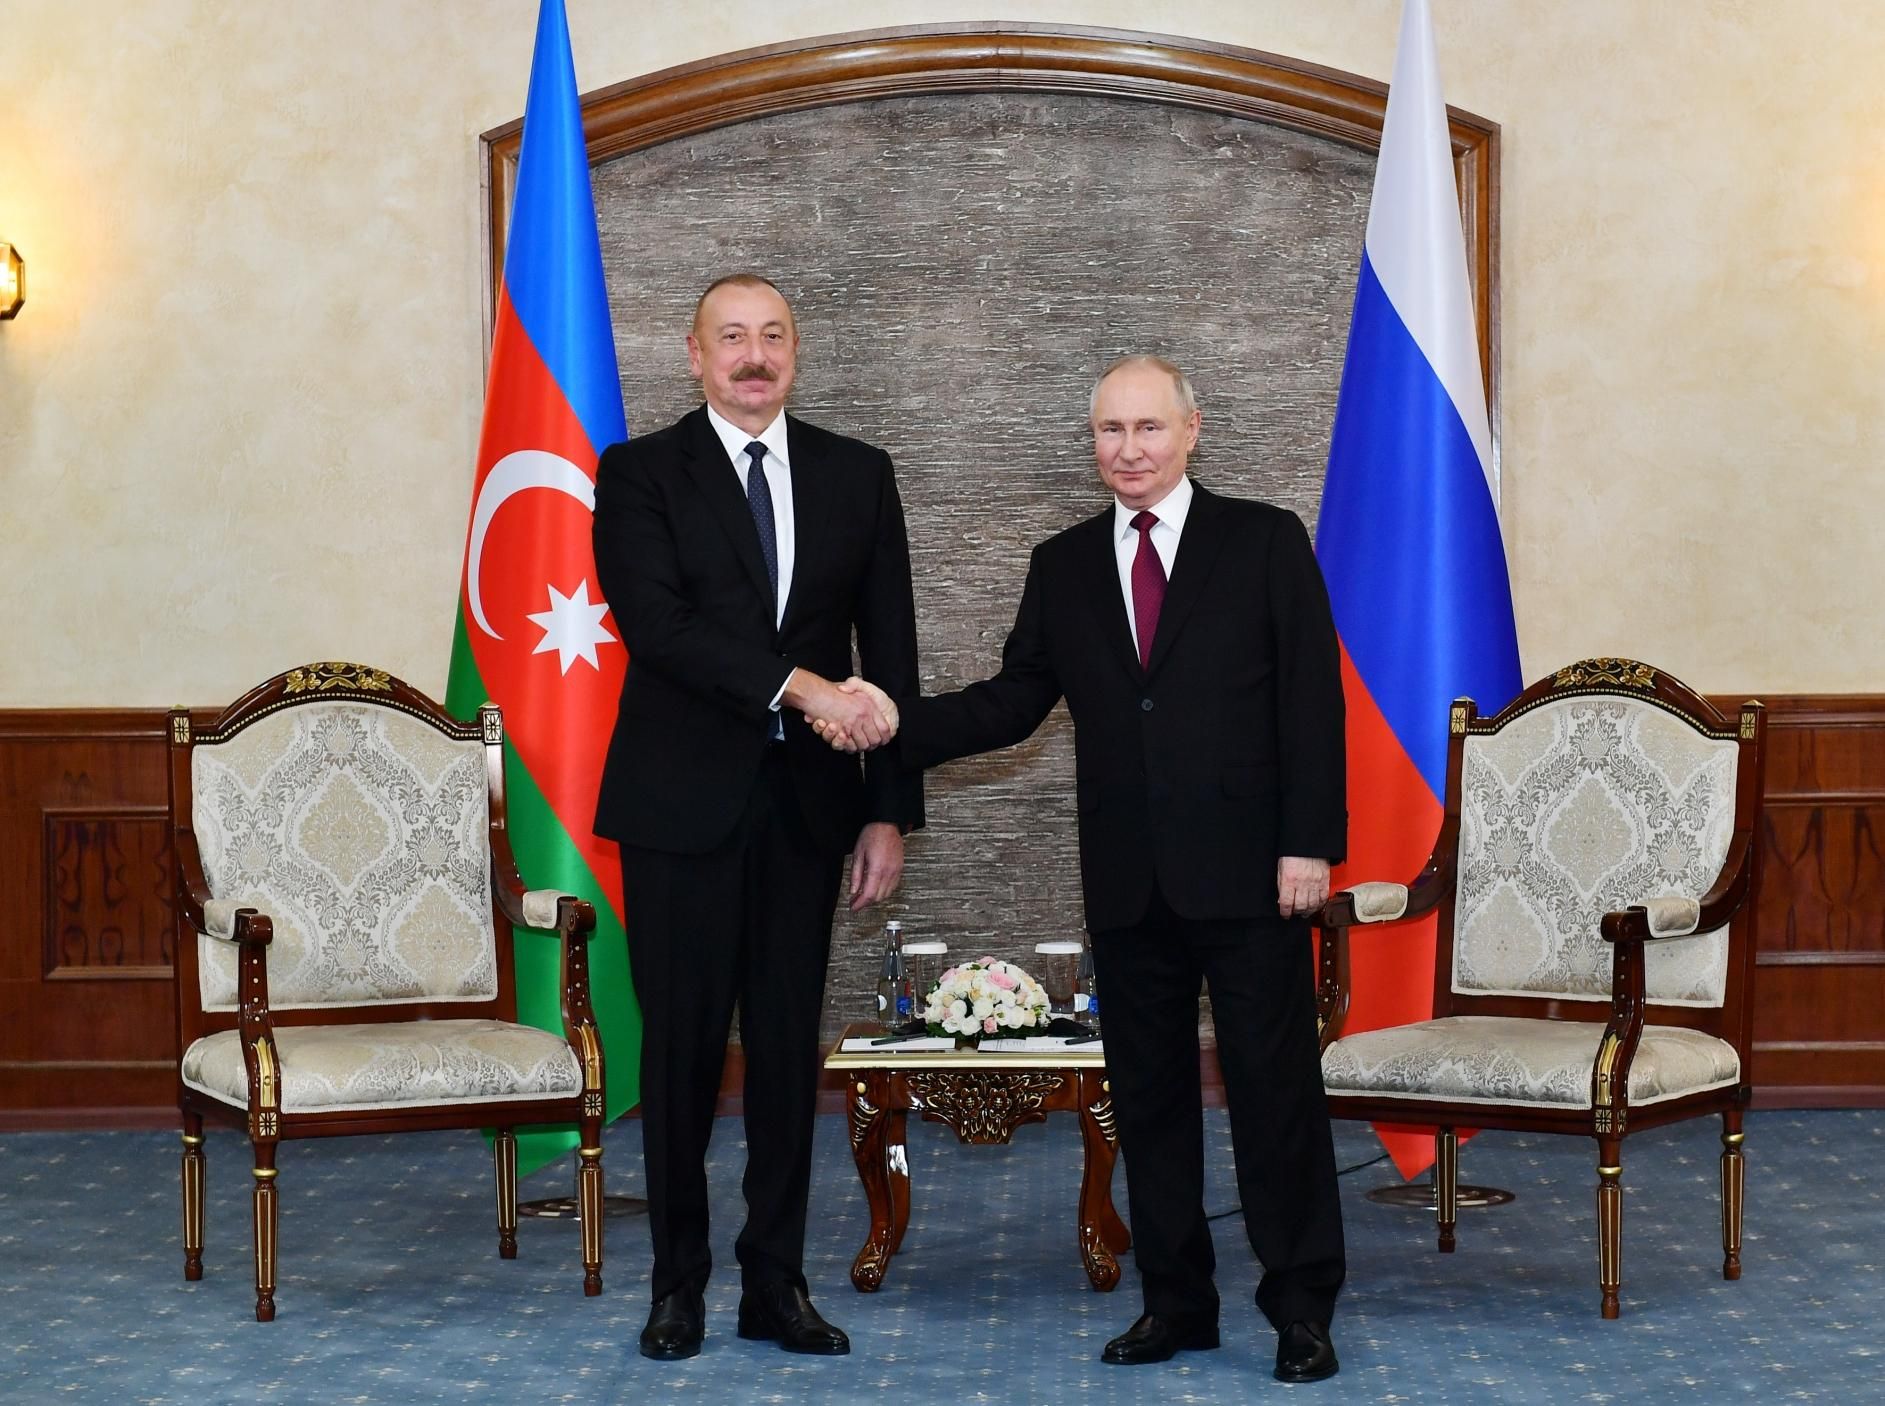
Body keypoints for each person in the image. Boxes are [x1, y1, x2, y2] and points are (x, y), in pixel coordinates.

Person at [818, 356, 1346, 1382]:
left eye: (1148, 427)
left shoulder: (1263, 540)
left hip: (1253, 874)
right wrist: (887, 721)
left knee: (1274, 1095)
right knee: (1148, 1100)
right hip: (1127, 878)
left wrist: (1310, 842)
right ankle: (1176, 1304)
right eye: (1110, 430)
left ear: (1191, 429)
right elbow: (1012, 701)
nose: (1128, 449)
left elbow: (1311, 700)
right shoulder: (1062, 563)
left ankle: (1301, 1307)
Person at [592, 273, 919, 1361]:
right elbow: (661, 628)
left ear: (795, 351)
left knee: (784, 1057)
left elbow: (891, 650)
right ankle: (676, 1284)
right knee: (682, 1056)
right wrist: (807, 689)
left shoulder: (857, 473)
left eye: (772, 336)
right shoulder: (639, 473)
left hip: (807, 815)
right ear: (694, 355)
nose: (753, 355)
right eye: (730, 337)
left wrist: (888, 812)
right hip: (678, 808)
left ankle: (774, 1282)